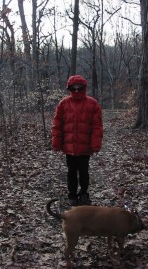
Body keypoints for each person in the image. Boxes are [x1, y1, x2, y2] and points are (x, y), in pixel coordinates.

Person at [52, 75, 103, 206]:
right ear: (69, 88)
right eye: (73, 88)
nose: (76, 91)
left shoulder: (92, 103)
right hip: (69, 147)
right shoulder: (63, 103)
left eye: (78, 88)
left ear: (83, 88)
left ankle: (84, 193)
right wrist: (56, 143)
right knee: (71, 172)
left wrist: (96, 145)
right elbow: (57, 124)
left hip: (85, 147)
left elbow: (97, 126)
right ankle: (72, 195)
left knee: (84, 172)